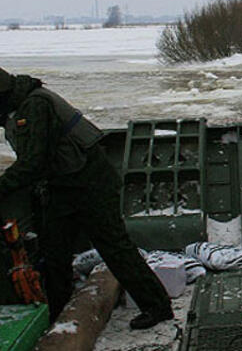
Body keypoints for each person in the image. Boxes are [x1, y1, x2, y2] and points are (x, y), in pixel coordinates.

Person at [0, 68, 173, 329]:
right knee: (54, 253)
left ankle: (157, 306)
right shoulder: (19, 105)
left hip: (90, 183)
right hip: (61, 187)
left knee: (114, 246)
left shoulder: (34, 106)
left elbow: (33, 163)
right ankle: (58, 315)